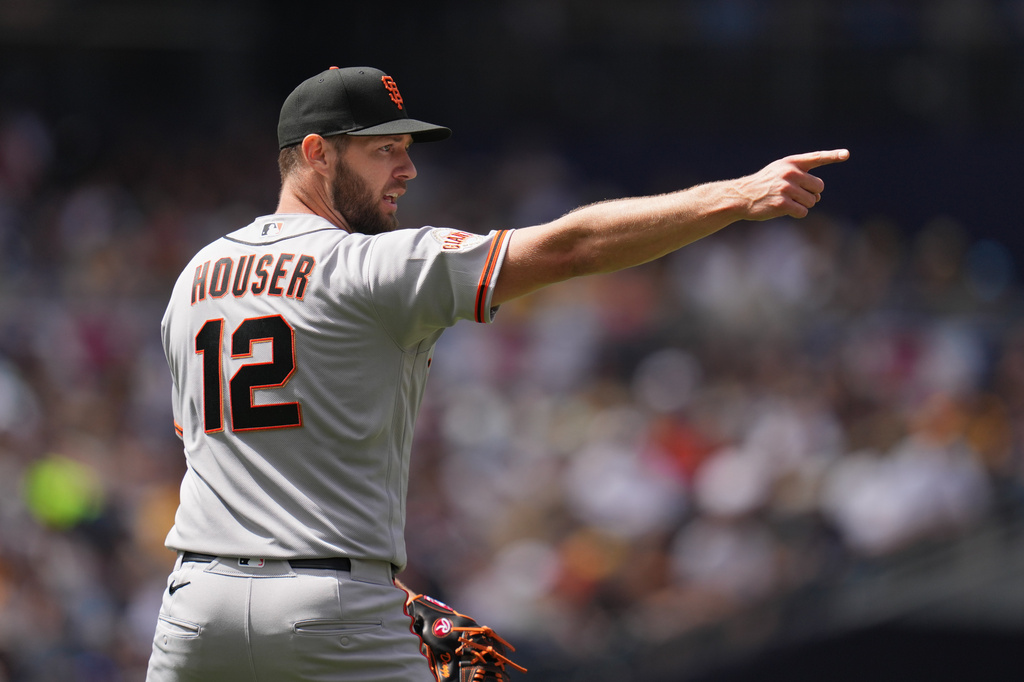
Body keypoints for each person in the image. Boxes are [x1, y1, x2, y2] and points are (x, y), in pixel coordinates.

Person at [146, 65, 848, 681]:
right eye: (384, 149)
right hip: (332, 606)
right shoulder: (369, 264)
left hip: (194, 611)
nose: (407, 168)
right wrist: (737, 195)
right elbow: (569, 249)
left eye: (407, 150)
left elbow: (200, 440)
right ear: (314, 153)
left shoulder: (194, 278)